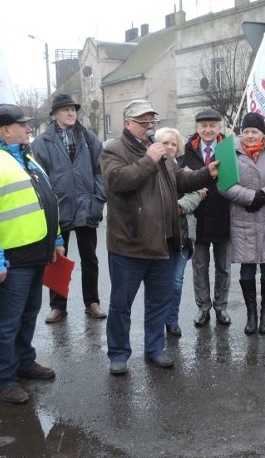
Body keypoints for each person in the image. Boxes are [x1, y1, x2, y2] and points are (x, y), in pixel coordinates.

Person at [102, 100, 218, 375]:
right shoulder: (113, 150)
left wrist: (206, 174)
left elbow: (179, 179)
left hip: (165, 241)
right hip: (130, 243)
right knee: (121, 304)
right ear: (128, 123)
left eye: (152, 122)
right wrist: (149, 160)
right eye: (144, 122)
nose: (150, 127)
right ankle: (118, 354)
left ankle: (155, 348)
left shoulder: (161, 152)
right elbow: (118, 182)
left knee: (159, 301)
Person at [0, 104, 63, 404]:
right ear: (5, 130)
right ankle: (5, 378)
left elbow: (46, 201)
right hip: (9, 260)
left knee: (28, 314)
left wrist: (55, 238)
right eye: (23, 125)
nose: (29, 129)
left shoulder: (25, 157)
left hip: (36, 254)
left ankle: (24, 361)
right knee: (7, 320)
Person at [32, 93, 107, 323]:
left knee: (89, 258)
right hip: (58, 209)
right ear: (54, 114)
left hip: (86, 206)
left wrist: (98, 200)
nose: (71, 113)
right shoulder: (42, 142)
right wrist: (48, 206)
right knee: (56, 258)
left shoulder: (89, 137)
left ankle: (92, 302)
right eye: (65, 109)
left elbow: (100, 171)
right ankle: (58, 306)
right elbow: (39, 178)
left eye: (73, 109)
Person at [222, 112, 265, 335]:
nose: (250, 135)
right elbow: (225, 185)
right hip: (243, 218)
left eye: (255, 131)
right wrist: (250, 197)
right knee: (247, 268)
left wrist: (263, 195)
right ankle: (251, 314)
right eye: (246, 131)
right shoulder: (230, 152)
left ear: (263, 133)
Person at [179, 109, 233, 328]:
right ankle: (203, 308)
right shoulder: (187, 152)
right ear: (197, 128)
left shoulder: (228, 150)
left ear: (220, 128)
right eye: (203, 126)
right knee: (199, 267)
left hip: (223, 217)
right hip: (197, 220)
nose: (208, 130)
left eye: (212, 125)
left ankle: (221, 307)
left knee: (224, 267)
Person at [155, 127, 207, 338]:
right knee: (161, 283)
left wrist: (178, 206)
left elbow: (197, 195)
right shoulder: (151, 169)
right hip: (159, 236)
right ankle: (158, 321)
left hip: (184, 235)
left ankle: (172, 320)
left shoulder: (183, 169)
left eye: (173, 144)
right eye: (165, 142)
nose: (169, 147)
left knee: (176, 282)